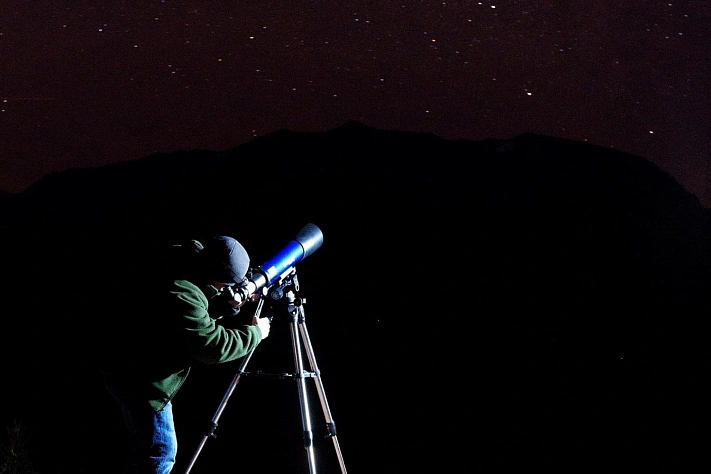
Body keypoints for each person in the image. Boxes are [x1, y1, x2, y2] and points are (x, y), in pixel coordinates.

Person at [99, 235, 271, 474]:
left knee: (141, 446)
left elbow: (187, 314)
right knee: (161, 453)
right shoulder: (182, 292)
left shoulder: (184, 261)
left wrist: (223, 305)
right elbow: (211, 345)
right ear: (218, 275)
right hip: (140, 380)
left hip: (124, 362)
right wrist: (255, 333)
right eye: (226, 285)